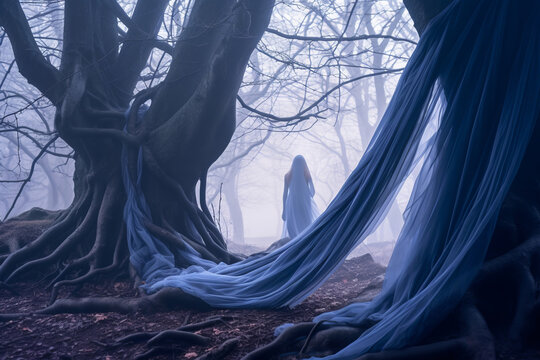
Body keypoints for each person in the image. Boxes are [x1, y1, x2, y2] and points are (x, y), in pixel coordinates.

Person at [281, 155, 319, 239]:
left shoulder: (287, 176)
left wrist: (284, 210)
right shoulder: (307, 175)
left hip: (292, 204)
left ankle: (294, 245)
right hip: (304, 203)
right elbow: (313, 191)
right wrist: (306, 196)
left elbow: (284, 195)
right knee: (305, 225)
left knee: (293, 226)